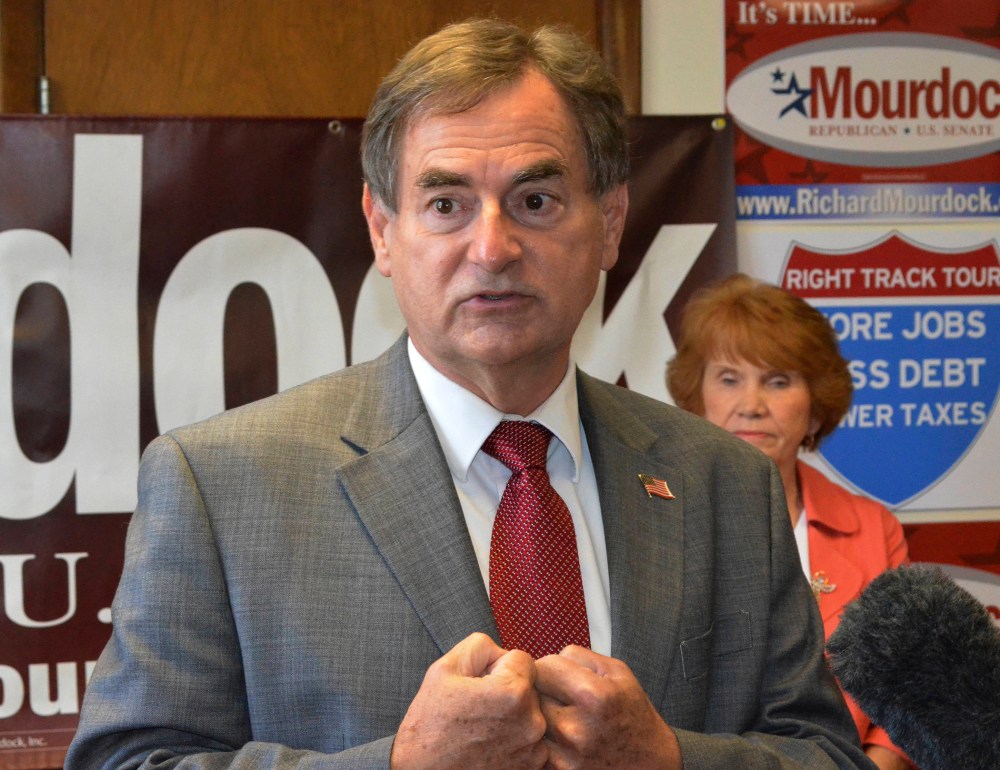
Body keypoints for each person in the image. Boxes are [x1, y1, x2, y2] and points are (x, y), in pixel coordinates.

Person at [67, 19, 873, 770]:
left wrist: (669, 757)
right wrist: (398, 765)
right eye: (446, 204)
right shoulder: (219, 484)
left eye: (535, 201)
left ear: (610, 223)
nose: (492, 248)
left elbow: (827, 754)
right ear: (383, 230)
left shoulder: (726, 483)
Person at [667, 273, 912, 770]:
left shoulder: (872, 528)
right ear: (696, 398)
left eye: (777, 382)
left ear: (815, 408)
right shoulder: (657, 516)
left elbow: (907, 689)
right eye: (729, 379)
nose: (751, 405)